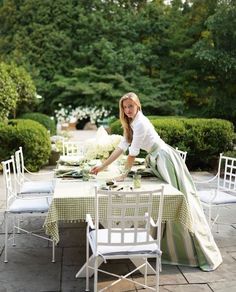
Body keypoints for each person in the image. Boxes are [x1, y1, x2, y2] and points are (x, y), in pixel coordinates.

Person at [91, 92, 222, 271]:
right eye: (124, 107)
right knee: (166, 199)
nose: (127, 110)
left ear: (138, 105)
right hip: (157, 159)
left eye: (130, 106)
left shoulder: (141, 123)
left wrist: (123, 174)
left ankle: (191, 248)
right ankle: (165, 243)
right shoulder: (131, 123)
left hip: (164, 159)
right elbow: (122, 146)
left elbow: (133, 152)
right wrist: (102, 166)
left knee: (177, 199)